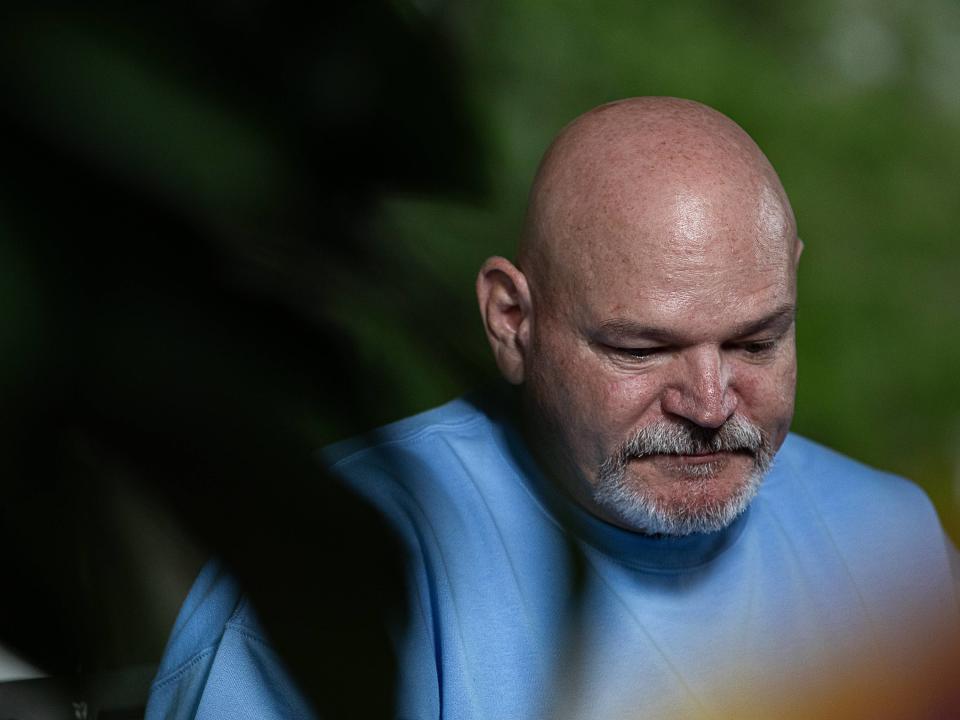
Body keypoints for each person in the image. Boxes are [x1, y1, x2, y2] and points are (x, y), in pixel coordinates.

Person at [147, 97, 959, 719]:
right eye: (639, 351)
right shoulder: (335, 558)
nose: (710, 404)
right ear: (512, 321)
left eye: (755, 342)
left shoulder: (898, 541)